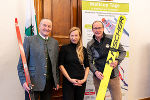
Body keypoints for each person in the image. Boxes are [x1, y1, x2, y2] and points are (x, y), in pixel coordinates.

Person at [17, 18, 59, 100]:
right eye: (44, 25)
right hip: (32, 83)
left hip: (48, 84)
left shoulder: (55, 43)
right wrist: (23, 82)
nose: (47, 28)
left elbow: (55, 64)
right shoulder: (29, 40)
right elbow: (21, 65)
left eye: (49, 26)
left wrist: (56, 81)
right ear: (39, 26)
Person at [87, 21, 126, 100]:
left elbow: (123, 52)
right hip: (99, 76)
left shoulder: (112, 38)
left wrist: (117, 61)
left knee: (117, 98)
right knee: (100, 98)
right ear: (92, 30)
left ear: (103, 28)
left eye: (99, 28)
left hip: (113, 75)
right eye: (95, 28)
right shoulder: (90, 44)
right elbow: (89, 61)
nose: (97, 30)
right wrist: (95, 72)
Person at [58, 27, 90, 100]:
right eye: (72, 35)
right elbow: (60, 65)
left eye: (76, 35)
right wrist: (70, 79)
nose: (74, 38)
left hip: (81, 82)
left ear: (79, 36)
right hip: (68, 82)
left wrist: (84, 79)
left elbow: (87, 66)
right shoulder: (64, 48)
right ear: (69, 36)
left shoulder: (83, 49)